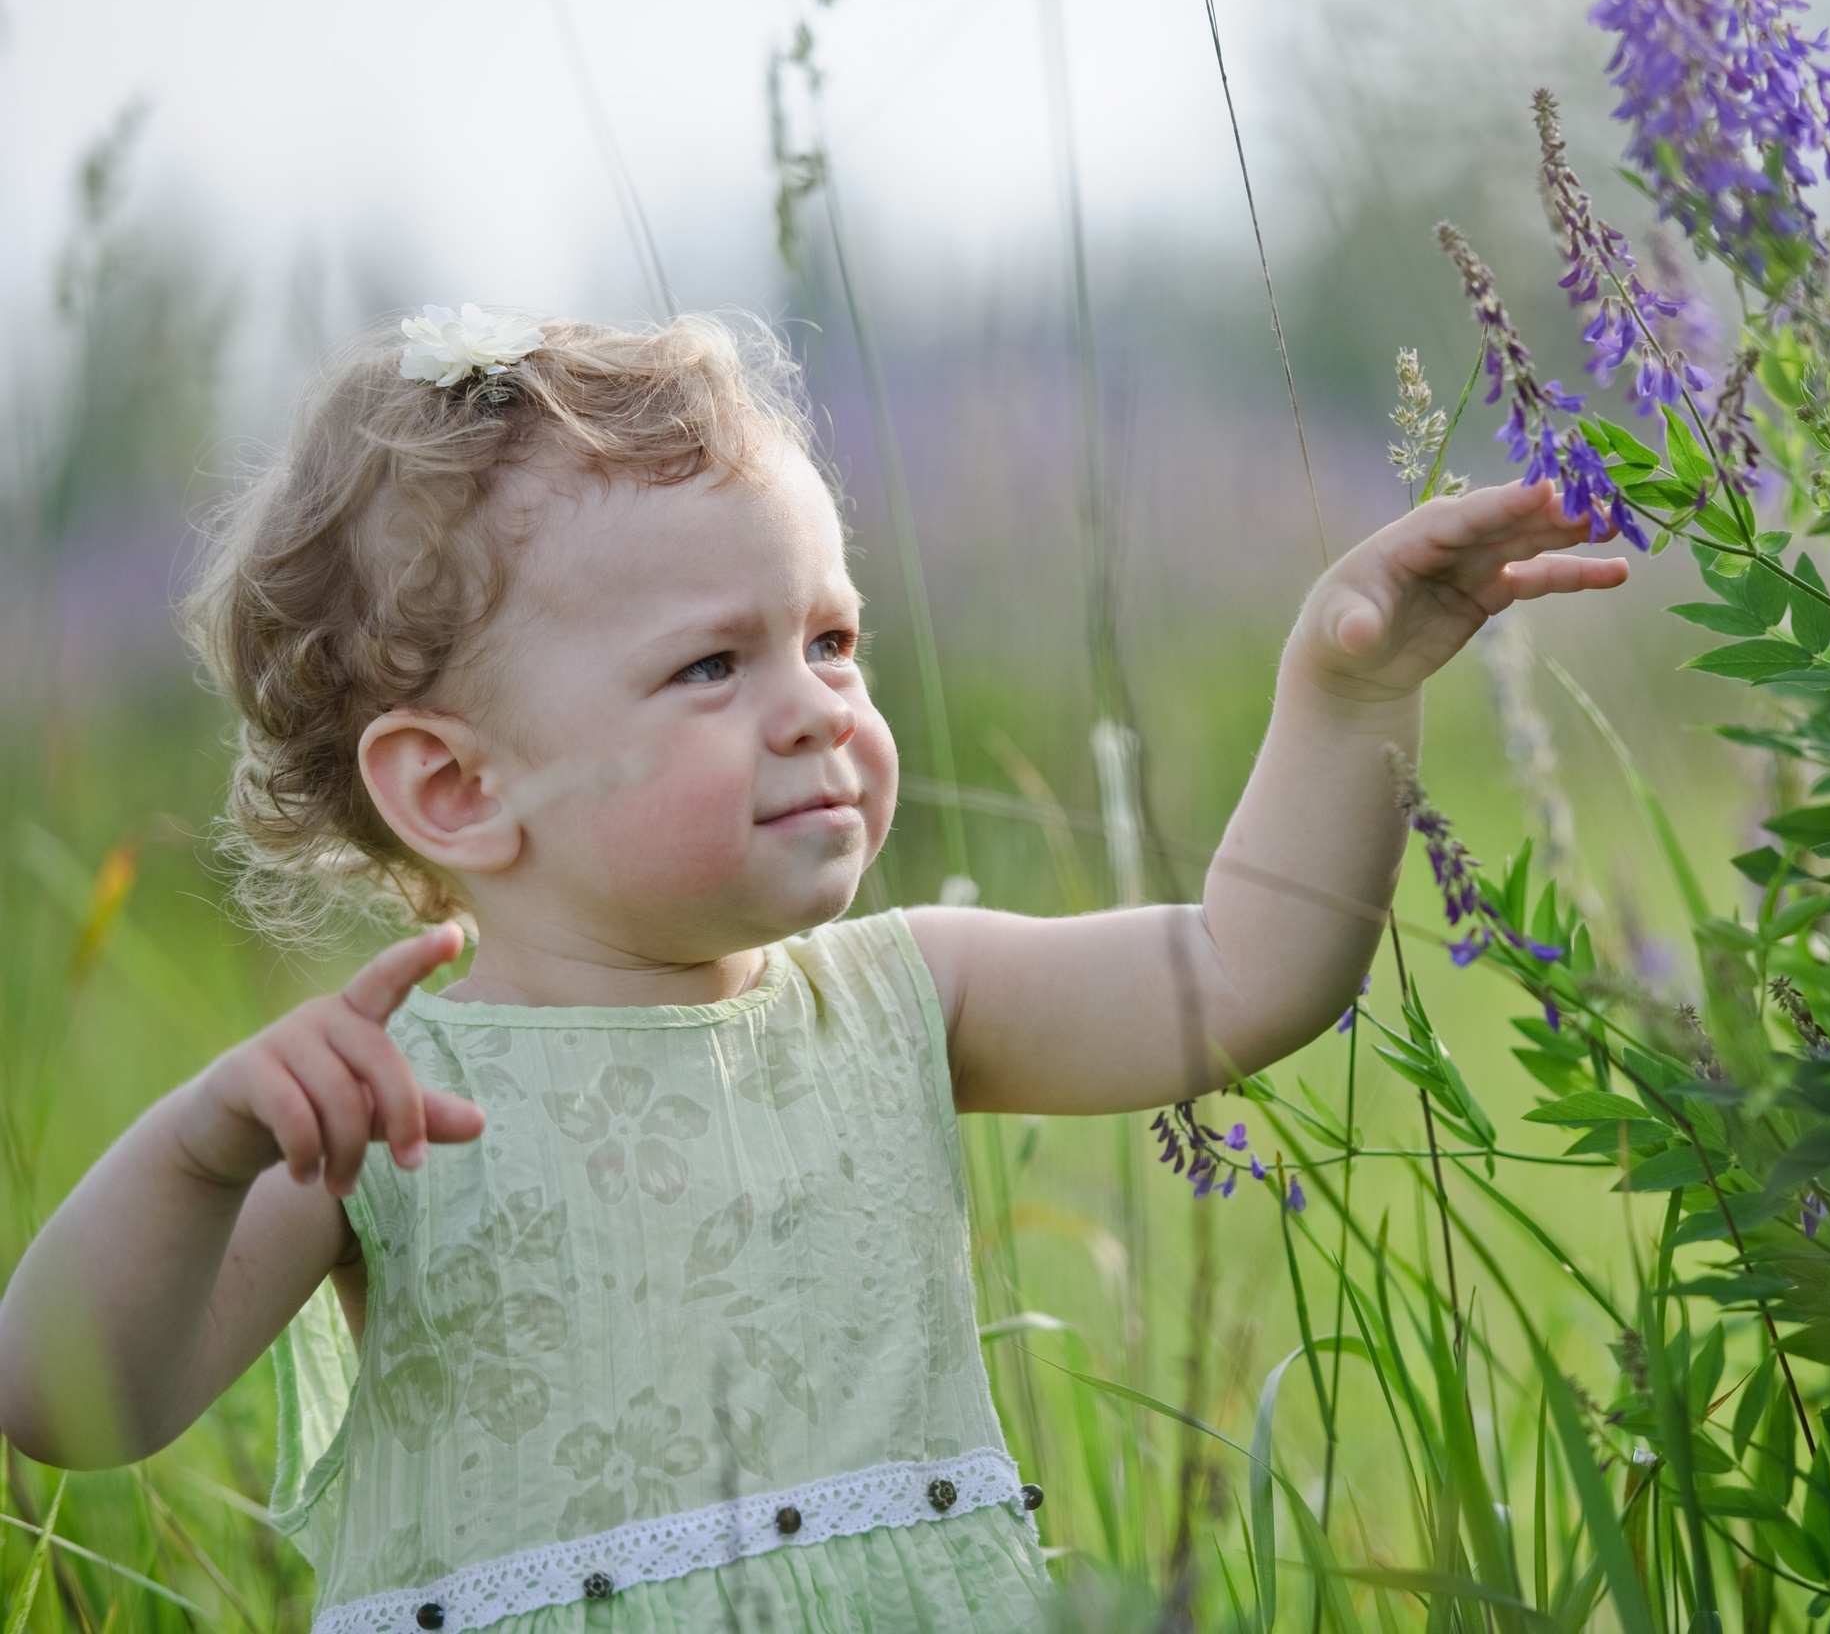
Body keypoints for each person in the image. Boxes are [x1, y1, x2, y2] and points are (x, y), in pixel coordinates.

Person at [0, 307, 1626, 1632]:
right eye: (713, 663)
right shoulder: (386, 1104)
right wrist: (205, 1148)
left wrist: (1342, 695)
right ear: (460, 786)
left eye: (831, 639)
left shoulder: (919, 993)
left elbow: (1248, 971)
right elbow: (69, 1403)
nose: (817, 707)